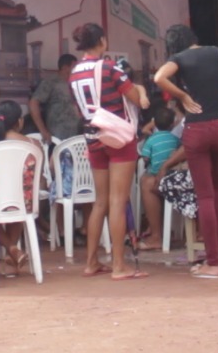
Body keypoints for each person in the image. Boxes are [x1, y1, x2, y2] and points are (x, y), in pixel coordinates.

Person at [69, 23, 151, 280]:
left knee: (100, 202)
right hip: (119, 138)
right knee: (118, 200)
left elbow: (78, 108)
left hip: (93, 137)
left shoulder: (74, 72)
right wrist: (142, 89)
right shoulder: (109, 68)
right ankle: (118, 265)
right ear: (102, 41)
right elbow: (135, 99)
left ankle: (92, 262)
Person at [153, 24, 218, 280]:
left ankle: (212, 263)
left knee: (205, 196)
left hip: (198, 130)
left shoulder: (179, 58)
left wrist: (183, 96)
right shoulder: (217, 53)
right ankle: (216, 251)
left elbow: (158, 78)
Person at [0, 100, 39, 276]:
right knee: (17, 202)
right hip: (24, 202)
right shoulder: (33, 144)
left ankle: (12, 249)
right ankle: (13, 251)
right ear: (19, 122)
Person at [138, 106, 181, 251]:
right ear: (173, 124)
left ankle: (156, 234)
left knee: (146, 181)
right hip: (174, 174)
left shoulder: (151, 139)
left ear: (154, 123)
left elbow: (145, 157)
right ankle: (163, 231)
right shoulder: (176, 139)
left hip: (157, 175)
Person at [29, 54, 83, 144]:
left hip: (77, 135)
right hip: (57, 136)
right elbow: (33, 103)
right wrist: (43, 130)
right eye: (74, 66)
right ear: (65, 67)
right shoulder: (51, 82)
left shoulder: (76, 82)